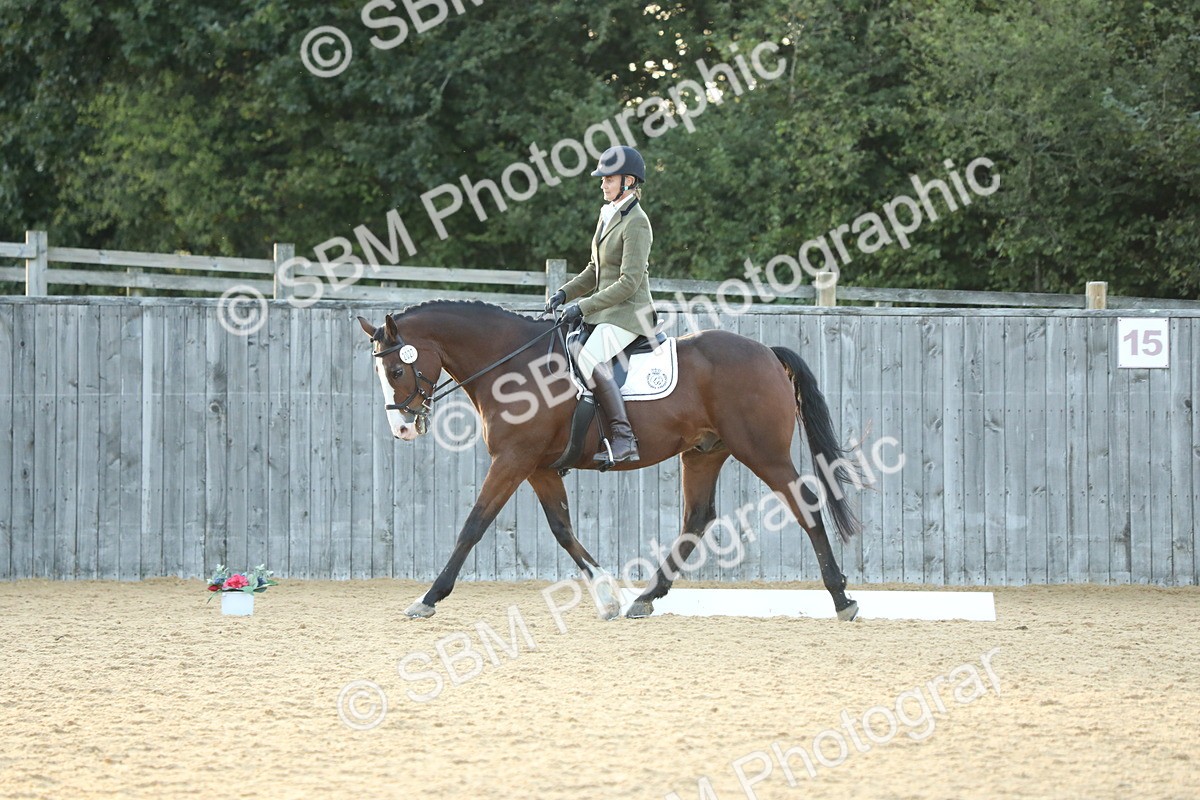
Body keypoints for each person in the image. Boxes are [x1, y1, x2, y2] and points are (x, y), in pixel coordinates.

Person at [545, 145, 655, 464]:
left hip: (629, 315)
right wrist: (564, 293)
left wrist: (583, 307)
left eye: (609, 179)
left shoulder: (637, 222)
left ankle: (624, 437)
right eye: (603, 179)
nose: (603, 184)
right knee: (566, 350)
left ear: (629, 181)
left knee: (589, 358)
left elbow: (629, 282)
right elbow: (595, 270)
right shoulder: (608, 214)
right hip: (606, 312)